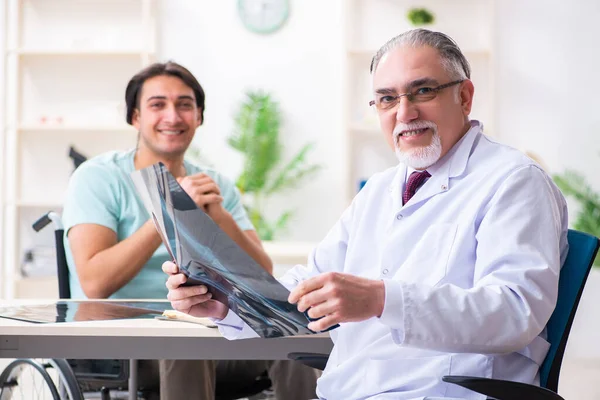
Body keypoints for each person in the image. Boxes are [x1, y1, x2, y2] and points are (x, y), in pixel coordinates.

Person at [163, 29, 569, 400]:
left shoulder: (515, 181)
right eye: (388, 98)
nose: (404, 112)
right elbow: (309, 284)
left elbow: (515, 312)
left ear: (464, 96)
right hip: (351, 389)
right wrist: (226, 303)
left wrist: (380, 299)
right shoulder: (381, 188)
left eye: (422, 90)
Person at [62, 61, 319, 400]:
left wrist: (217, 213)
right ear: (136, 118)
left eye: (185, 105)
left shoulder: (215, 184)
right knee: (183, 342)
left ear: (198, 117)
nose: (173, 116)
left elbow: (263, 273)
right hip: (129, 348)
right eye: (157, 105)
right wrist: (169, 208)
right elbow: (95, 283)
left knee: (292, 335)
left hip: (215, 335)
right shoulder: (98, 178)